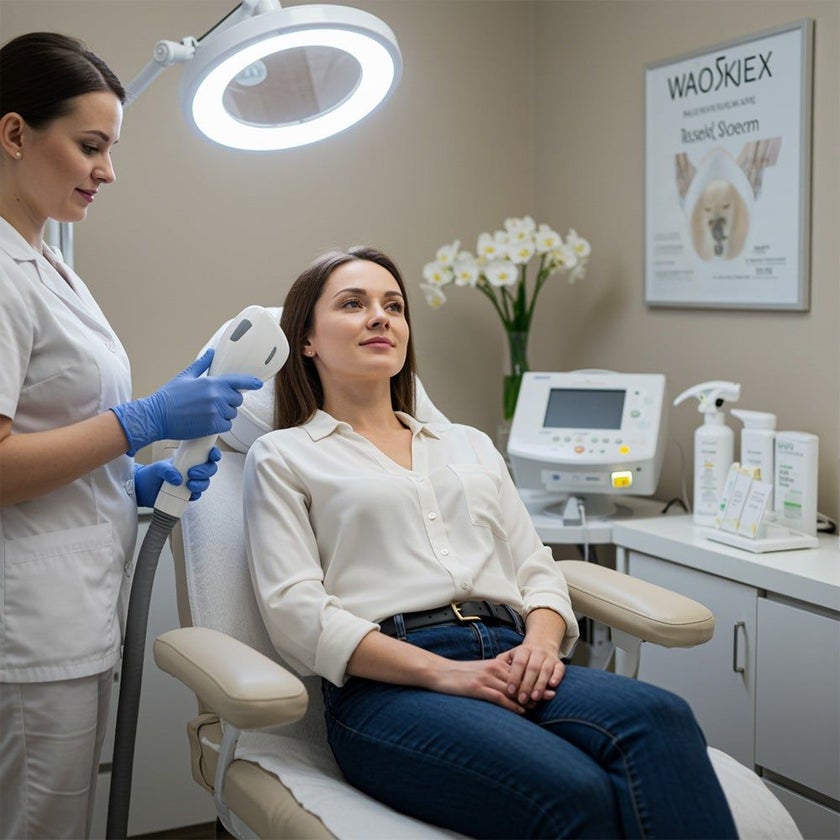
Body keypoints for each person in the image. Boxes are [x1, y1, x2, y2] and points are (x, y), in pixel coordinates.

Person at [242, 246, 739, 839]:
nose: (380, 317)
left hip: (514, 654)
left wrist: (542, 646)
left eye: (394, 306)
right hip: (391, 686)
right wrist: (445, 674)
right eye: (353, 304)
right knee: (575, 789)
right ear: (306, 340)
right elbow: (296, 611)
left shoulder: (470, 444)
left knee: (662, 715)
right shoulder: (284, 456)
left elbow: (536, 568)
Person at [0, 32, 262, 838]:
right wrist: (143, 421)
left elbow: (54, 425)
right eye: (90, 146)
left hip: (70, 610)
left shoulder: (43, 260)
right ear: (14, 134)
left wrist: (129, 481)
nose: (107, 171)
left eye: (110, 149)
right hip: (29, 627)